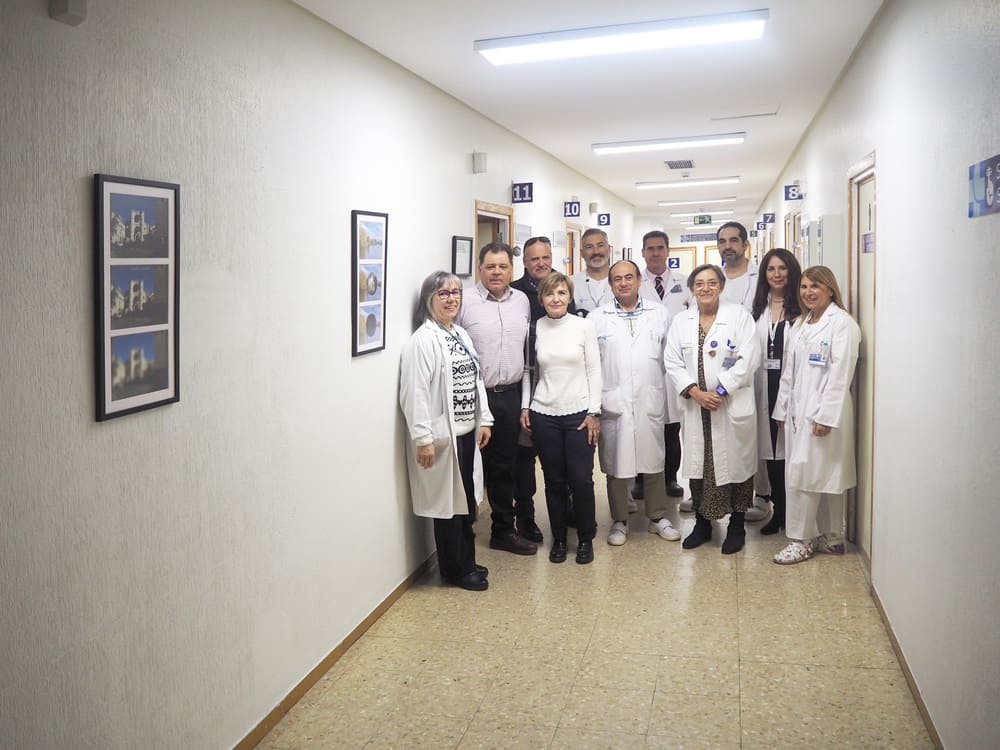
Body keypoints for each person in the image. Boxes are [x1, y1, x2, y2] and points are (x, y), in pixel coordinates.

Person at [399, 271, 494, 590]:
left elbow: (476, 378)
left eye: (456, 292)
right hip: (442, 438)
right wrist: (423, 439)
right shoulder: (422, 342)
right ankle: (454, 570)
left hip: (466, 434)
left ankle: (467, 561)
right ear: (429, 299)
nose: (452, 298)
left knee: (464, 503)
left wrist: (485, 419)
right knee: (448, 508)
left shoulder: (459, 333)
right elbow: (414, 394)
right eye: (443, 293)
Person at [665, 264, 760, 554]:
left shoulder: (739, 316)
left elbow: (749, 358)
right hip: (697, 406)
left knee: (736, 466)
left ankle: (736, 526)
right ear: (692, 289)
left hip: (728, 404)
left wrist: (720, 391)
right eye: (699, 283)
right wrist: (695, 392)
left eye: (711, 283)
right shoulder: (682, 321)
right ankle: (703, 524)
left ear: (721, 286)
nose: (705, 288)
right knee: (700, 467)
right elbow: (672, 361)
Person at [772, 266, 861, 564]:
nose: (808, 292)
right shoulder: (801, 323)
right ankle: (831, 538)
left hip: (823, 413)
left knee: (810, 476)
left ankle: (802, 540)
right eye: (804, 287)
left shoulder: (843, 324)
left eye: (815, 286)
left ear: (830, 290)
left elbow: (840, 374)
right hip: (799, 412)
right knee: (817, 474)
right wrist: (782, 408)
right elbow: (789, 371)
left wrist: (826, 416)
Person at [592, 260, 681, 546]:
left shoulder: (659, 313)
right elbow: (593, 364)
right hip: (613, 401)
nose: (623, 283)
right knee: (616, 464)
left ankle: (657, 517)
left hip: (649, 397)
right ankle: (619, 520)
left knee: (653, 460)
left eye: (629, 277)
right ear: (610, 284)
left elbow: (670, 358)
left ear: (639, 279)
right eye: (617, 279)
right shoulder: (597, 318)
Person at [457, 242, 538, 554]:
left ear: (511, 270)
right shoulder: (464, 302)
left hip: (511, 396)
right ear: (480, 269)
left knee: (506, 466)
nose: (496, 272)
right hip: (475, 397)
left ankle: (503, 530)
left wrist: (524, 403)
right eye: (490, 266)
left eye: (503, 266)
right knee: (470, 465)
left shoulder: (522, 301)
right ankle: (463, 530)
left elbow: (526, 356)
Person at [520, 272, 602, 564]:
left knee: (581, 480)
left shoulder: (584, 326)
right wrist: (525, 407)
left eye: (561, 293)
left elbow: (594, 370)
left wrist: (594, 412)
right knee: (554, 481)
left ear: (569, 297)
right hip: (544, 414)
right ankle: (559, 539)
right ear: (541, 299)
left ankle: (585, 539)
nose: (555, 299)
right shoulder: (534, 328)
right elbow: (529, 371)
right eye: (549, 294)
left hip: (579, 414)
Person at [511, 237, 578, 530]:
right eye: (534, 258)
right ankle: (526, 517)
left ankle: (567, 511)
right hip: (527, 384)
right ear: (525, 262)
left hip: (560, 385)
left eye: (545, 257)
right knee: (524, 457)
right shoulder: (515, 293)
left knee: (562, 458)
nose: (541, 263)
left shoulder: (562, 288)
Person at [716, 220, 770, 522]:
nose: (728, 246)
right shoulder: (715, 279)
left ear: (745, 244)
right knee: (721, 432)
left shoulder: (760, 277)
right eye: (722, 241)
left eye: (733, 240)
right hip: (721, 368)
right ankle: (717, 492)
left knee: (755, 433)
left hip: (754, 366)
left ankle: (761, 495)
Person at [751, 248, 802, 536]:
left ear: (791, 271)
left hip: (790, 388)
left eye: (782, 268)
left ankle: (792, 514)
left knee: (787, 455)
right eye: (771, 269)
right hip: (763, 388)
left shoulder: (801, 308)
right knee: (769, 455)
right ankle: (778, 511)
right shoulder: (758, 307)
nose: (777, 274)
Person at [638, 230, 690, 502]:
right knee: (643, 424)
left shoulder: (685, 283)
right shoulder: (636, 283)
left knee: (671, 427)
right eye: (650, 248)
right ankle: (640, 479)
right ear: (643, 252)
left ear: (668, 251)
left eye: (660, 248)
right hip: (644, 363)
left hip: (676, 366)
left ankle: (670, 477)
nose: (655, 253)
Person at [570, 228, 613, 316]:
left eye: (600, 245)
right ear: (582, 253)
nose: (596, 251)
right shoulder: (571, 283)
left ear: (609, 249)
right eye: (589, 247)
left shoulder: (622, 281)